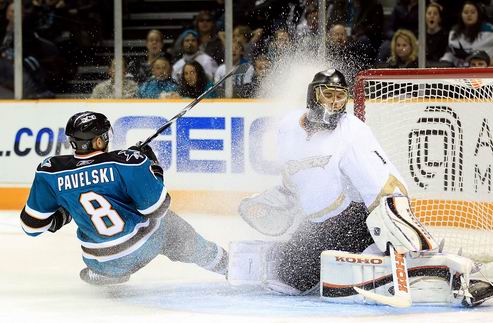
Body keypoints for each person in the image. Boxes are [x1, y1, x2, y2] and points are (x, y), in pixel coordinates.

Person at [227, 69, 493, 307]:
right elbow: (293, 176)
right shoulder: (288, 126)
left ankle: (437, 268)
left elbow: (387, 185)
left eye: (340, 97)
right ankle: (373, 258)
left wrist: (405, 231)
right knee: (284, 280)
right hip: (315, 225)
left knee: (293, 279)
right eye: (327, 95)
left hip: (351, 218)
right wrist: (281, 196)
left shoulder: (352, 131)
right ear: (312, 96)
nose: (334, 102)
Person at [20, 111, 228, 285]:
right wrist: (152, 166)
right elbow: (157, 208)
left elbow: (31, 227)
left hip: (99, 260)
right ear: (99, 140)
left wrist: (66, 212)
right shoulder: (128, 163)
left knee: (97, 234)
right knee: (170, 225)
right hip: (144, 246)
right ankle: (229, 266)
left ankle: (108, 274)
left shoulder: (50, 170)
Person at [440, 1, 493, 67]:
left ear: (478, 14)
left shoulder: (490, 30)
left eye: (472, 12)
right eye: (466, 12)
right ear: (461, 14)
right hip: (460, 72)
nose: (469, 15)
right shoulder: (454, 32)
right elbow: (449, 54)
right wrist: (443, 64)